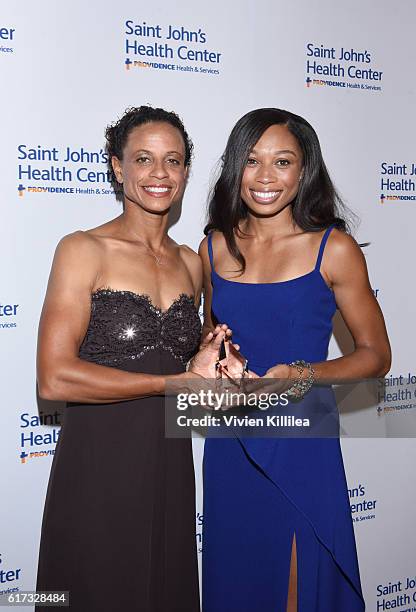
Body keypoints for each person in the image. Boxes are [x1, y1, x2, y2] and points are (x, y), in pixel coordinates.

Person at [35, 105, 227, 612]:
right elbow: (54, 378)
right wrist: (169, 386)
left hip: (170, 467)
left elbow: (198, 372)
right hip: (99, 468)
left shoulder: (192, 262)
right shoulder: (83, 249)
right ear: (118, 168)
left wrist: (214, 363)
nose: (159, 173)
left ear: (186, 170)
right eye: (143, 159)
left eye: (173, 160)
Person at [199, 108, 391, 611]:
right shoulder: (212, 247)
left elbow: (375, 356)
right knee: (234, 580)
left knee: (295, 581)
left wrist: (299, 375)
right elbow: (211, 339)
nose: (265, 177)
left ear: (304, 171)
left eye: (282, 162)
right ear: (233, 167)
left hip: (301, 439)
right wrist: (216, 359)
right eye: (252, 160)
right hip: (230, 442)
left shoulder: (334, 248)